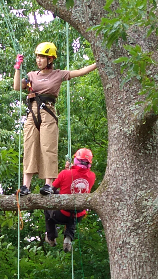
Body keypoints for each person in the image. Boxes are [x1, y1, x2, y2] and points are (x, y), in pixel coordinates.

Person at [13, 41, 97, 195]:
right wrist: (17, 69)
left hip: (48, 112)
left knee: (48, 147)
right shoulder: (31, 75)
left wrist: (97, 64)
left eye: (42, 57)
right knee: (30, 146)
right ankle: (25, 186)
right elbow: (17, 87)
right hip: (32, 113)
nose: (38, 60)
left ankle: (48, 184)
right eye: (37, 57)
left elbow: (80, 71)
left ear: (50, 59)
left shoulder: (58, 74)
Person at [45, 148, 96, 251]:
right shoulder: (92, 176)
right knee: (74, 210)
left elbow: (52, 189)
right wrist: (71, 170)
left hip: (61, 214)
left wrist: (67, 171)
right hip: (79, 214)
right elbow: (79, 175)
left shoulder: (65, 173)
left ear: (76, 160)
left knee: (47, 206)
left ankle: (51, 237)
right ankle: (68, 237)